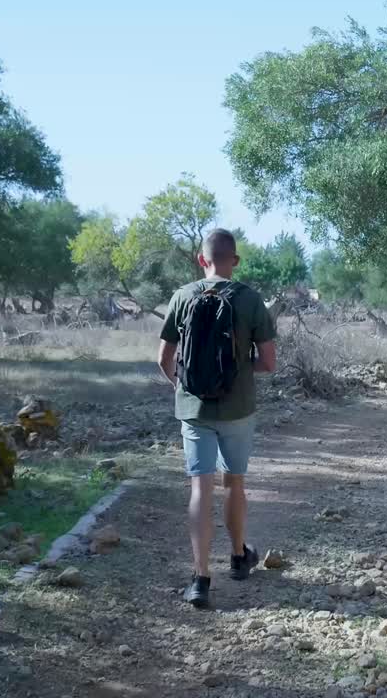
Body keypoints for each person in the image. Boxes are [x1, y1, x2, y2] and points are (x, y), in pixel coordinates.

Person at [157, 228, 277, 608]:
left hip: (193, 410)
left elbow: (164, 359)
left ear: (201, 259)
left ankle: (200, 578)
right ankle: (239, 556)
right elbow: (269, 363)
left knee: (200, 488)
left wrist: (187, 385)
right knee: (235, 483)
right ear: (235, 261)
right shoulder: (250, 299)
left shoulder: (182, 296)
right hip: (238, 408)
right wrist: (239, 370)